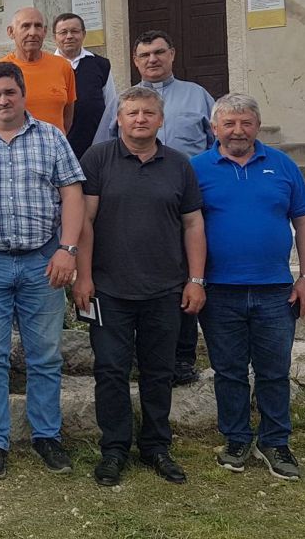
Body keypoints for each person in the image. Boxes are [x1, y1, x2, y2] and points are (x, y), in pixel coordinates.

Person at [0, 61, 84, 479]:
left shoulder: (52, 137)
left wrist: (67, 249)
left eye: (10, 92)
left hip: (43, 262)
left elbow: (72, 194)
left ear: (23, 94)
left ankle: (47, 436)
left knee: (44, 356)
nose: (3, 100)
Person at [74, 85, 206, 488]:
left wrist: (195, 280)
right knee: (110, 371)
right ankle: (114, 449)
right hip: (108, 289)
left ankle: (156, 446)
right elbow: (85, 221)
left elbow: (193, 224)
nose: (140, 120)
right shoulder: (98, 158)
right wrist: (84, 277)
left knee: (159, 371)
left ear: (161, 120)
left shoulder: (179, 164)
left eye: (148, 113)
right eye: (132, 113)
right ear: (119, 119)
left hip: (165, 288)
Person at [190, 93, 305, 481]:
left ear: (257, 127)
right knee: (228, 371)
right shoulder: (196, 169)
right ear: (214, 128)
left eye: (246, 123)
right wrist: (194, 281)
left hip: (275, 291)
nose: (238, 130)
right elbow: (187, 227)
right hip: (219, 290)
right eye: (229, 123)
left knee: (274, 370)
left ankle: (275, 441)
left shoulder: (283, 165)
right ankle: (236, 439)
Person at [90, 30, 216, 387]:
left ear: (172, 54)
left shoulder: (198, 96)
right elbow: (103, 145)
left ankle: (181, 358)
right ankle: (133, 355)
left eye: (159, 52)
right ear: (135, 61)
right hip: (133, 201)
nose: (152, 60)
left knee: (180, 280)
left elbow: (217, 143)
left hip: (182, 201)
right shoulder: (126, 101)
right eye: (144, 55)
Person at [0, 7, 76, 134]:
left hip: (54, 145)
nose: (33, 32)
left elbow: (67, 117)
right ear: (11, 32)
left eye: (38, 26)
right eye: (26, 26)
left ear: (44, 32)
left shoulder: (63, 66)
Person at [53, 12, 114, 158]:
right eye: (63, 32)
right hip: (58, 147)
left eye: (74, 31)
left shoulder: (100, 65)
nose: (69, 36)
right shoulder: (46, 67)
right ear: (55, 37)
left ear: (84, 34)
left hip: (95, 146)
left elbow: (111, 106)